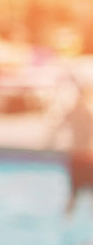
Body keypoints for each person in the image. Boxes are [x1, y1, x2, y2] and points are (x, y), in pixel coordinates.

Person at [48, 79, 93, 221]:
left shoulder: (73, 111)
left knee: (73, 193)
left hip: (75, 157)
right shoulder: (89, 112)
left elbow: (57, 128)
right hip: (87, 156)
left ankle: (66, 220)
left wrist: (50, 143)